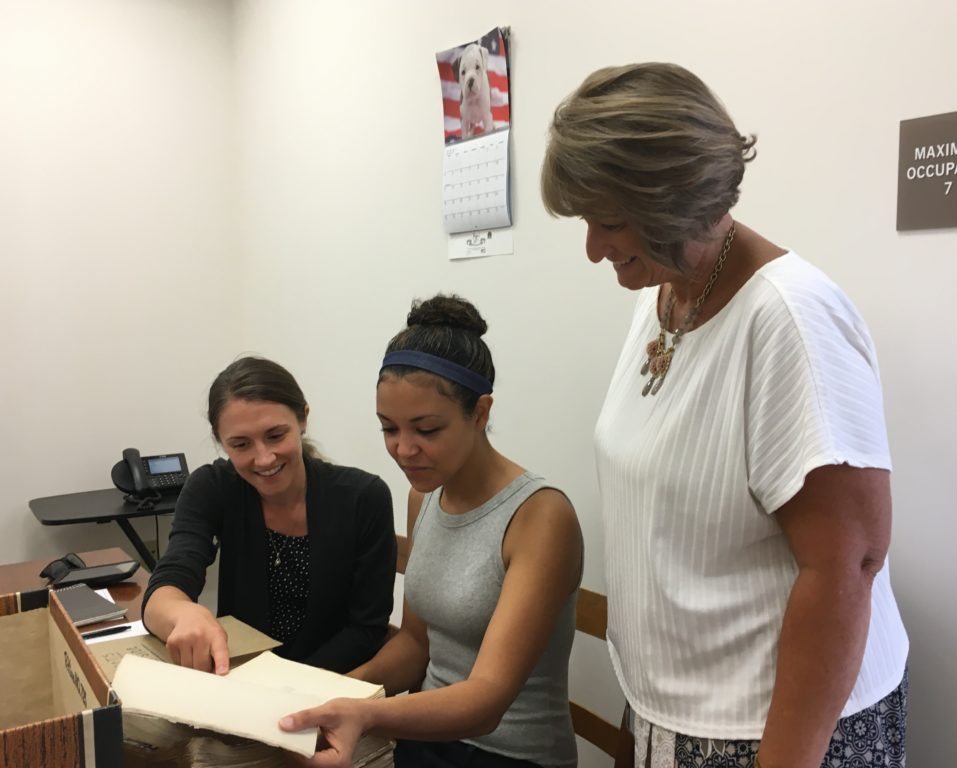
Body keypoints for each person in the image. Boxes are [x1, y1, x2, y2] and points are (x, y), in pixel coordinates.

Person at [540, 63, 909, 768]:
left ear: (674, 203)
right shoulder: (663, 296)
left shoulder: (791, 322)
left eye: (608, 222)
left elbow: (848, 565)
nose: (592, 249)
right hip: (676, 709)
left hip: (775, 733)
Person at [280, 295, 584, 768]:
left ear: (480, 413)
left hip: (511, 754)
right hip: (424, 735)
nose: (404, 450)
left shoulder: (539, 517)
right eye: (388, 428)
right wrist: (335, 696)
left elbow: (486, 700)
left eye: (426, 429)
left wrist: (364, 713)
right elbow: (416, 644)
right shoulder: (424, 497)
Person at [142, 356, 396, 676]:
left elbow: (367, 629)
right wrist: (182, 613)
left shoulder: (363, 496)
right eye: (241, 444)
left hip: (329, 684)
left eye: (276, 435)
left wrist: (286, 685)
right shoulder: (212, 487)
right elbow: (169, 581)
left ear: (303, 419)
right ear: (221, 442)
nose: (263, 458)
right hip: (240, 677)